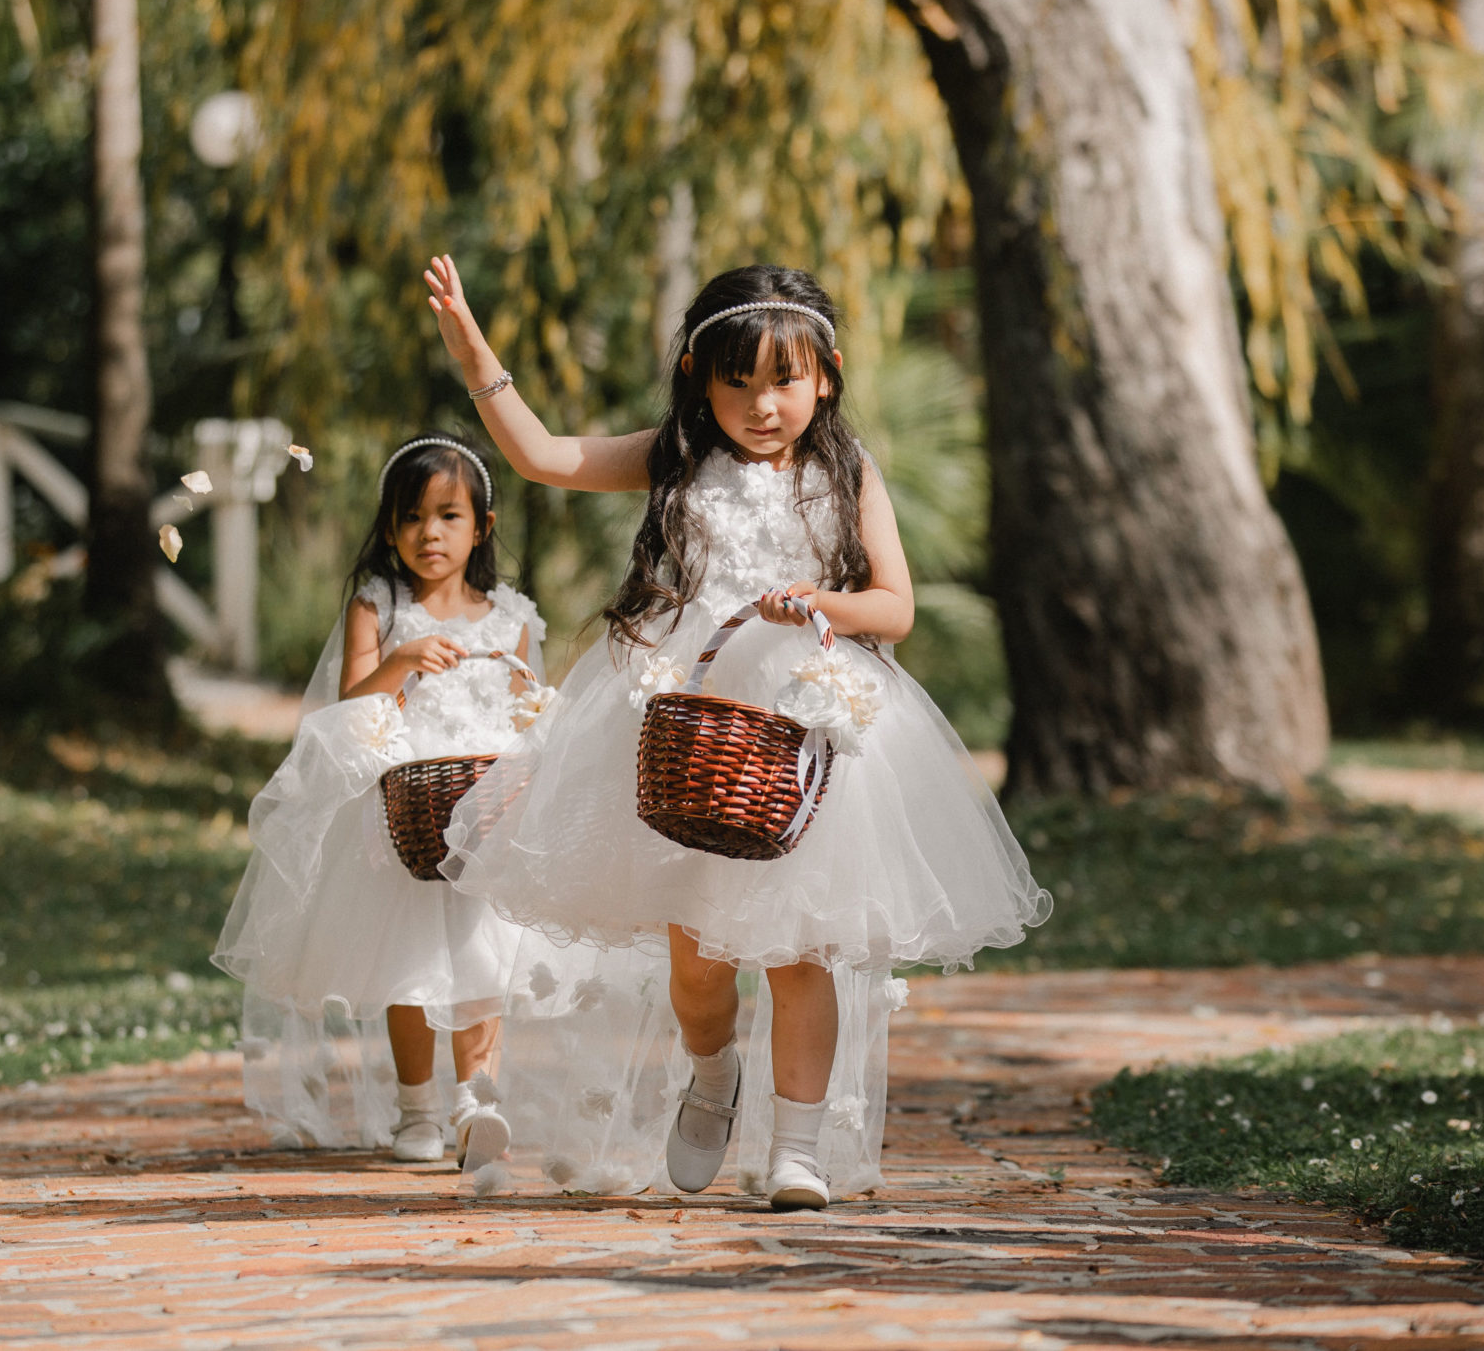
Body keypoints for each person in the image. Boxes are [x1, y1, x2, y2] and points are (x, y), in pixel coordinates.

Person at [425, 257, 1052, 1210]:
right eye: (737, 381)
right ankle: (712, 1071)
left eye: (785, 381)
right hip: (694, 717)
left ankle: (795, 1148)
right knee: (699, 959)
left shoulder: (847, 471)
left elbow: (896, 605)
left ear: (826, 375)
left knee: (804, 947)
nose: (763, 404)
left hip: (804, 726)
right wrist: (475, 352)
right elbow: (543, 457)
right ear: (698, 379)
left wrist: (822, 602)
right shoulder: (678, 457)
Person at [212, 431, 573, 1181]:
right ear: (388, 528)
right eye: (411, 518)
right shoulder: (379, 606)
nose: (429, 533)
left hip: (485, 804)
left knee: (484, 953)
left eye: (448, 516)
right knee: (409, 965)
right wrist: (402, 660)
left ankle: (477, 1099)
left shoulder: (511, 618)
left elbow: (525, 711)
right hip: (403, 805)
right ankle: (417, 1108)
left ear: (482, 527)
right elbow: (347, 704)